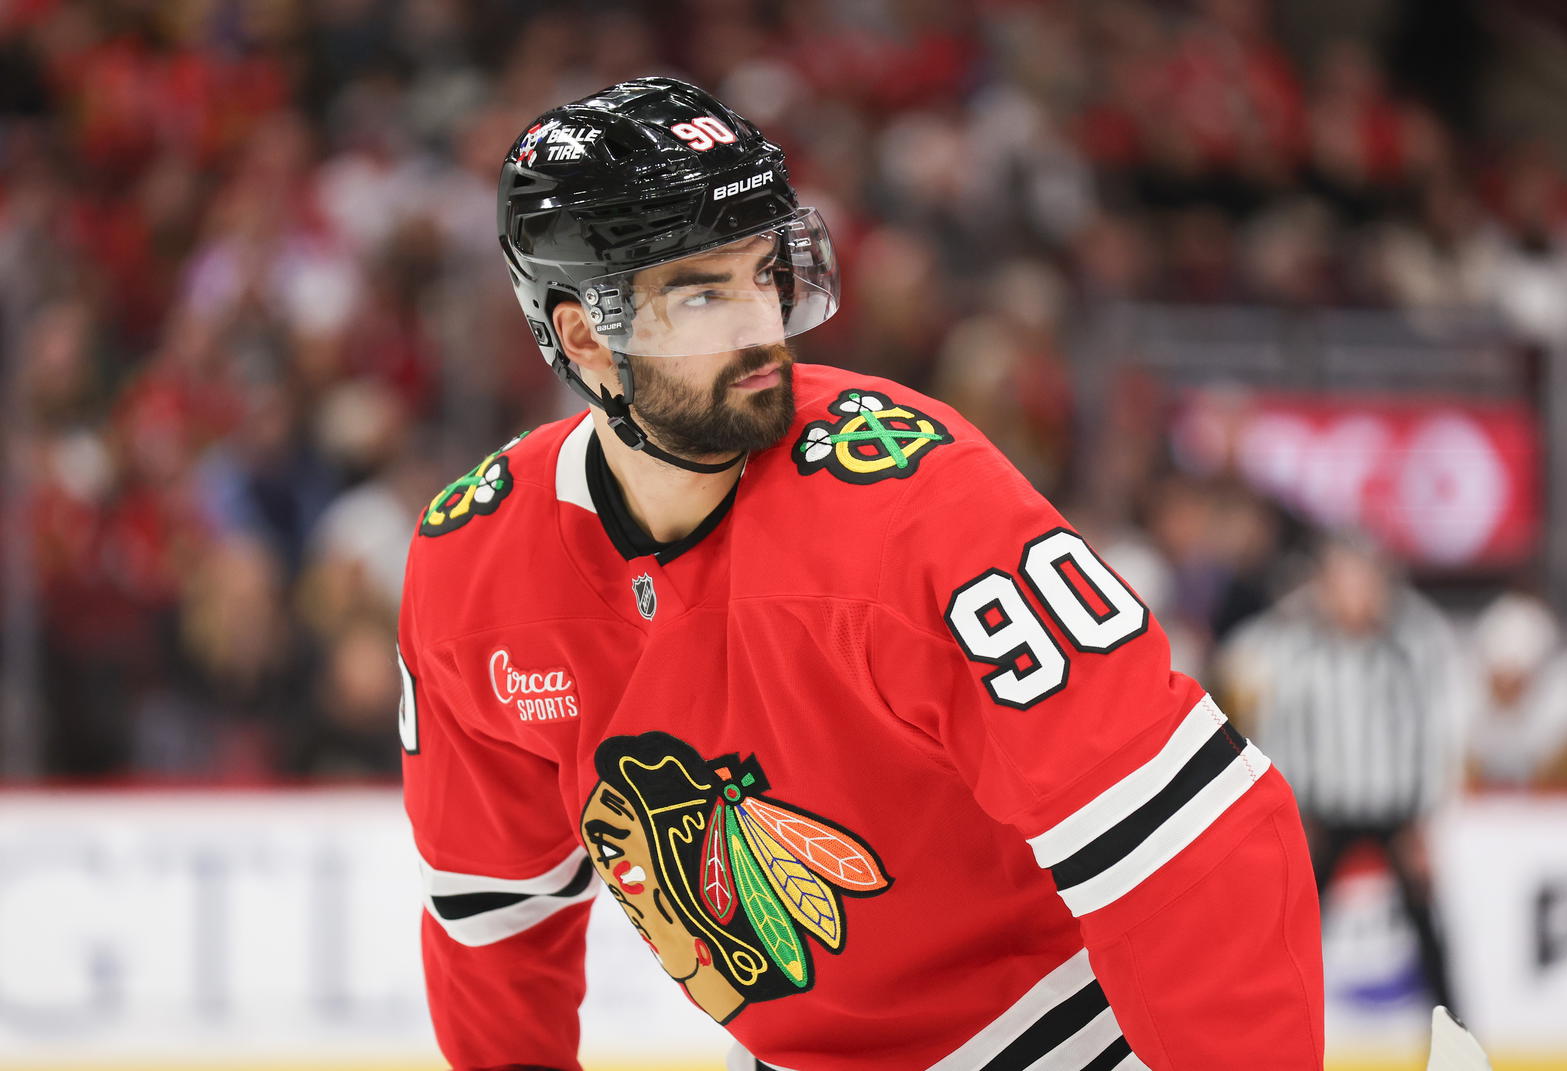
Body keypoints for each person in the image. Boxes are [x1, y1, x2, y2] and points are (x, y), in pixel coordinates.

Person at [398, 77, 1322, 1071]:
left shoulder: (917, 501)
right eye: (703, 293)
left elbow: (1188, 837)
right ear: (586, 335)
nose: (763, 324)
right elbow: (494, 917)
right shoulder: (471, 569)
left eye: (765, 273)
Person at [1218, 531, 1459, 1014]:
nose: (1354, 595)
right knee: (1292, 934)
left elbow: (1435, 734)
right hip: (1321, 814)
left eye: (1363, 581)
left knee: (1429, 939)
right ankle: (1272, 1028)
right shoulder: (1295, 651)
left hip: (1396, 813)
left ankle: (1455, 1037)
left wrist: (1425, 817)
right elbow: (1277, 725)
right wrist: (1292, 810)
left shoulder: (1411, 649)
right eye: (1342, 581)